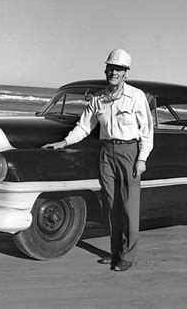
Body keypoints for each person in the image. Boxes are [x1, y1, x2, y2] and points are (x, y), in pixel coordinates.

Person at [42, 49, 154, 271]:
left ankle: (127, 255)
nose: (114, 72)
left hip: (129, 152)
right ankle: (115, 253)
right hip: (106, 153)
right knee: (111, 205)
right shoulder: (98, 99)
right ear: (106, 70)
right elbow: (84, 126)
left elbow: (147, 131)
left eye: (119, 69)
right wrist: (64, 143)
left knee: (130, 207)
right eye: (111, 68)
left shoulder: (136, 96)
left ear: (126, 73)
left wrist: (141, 159)